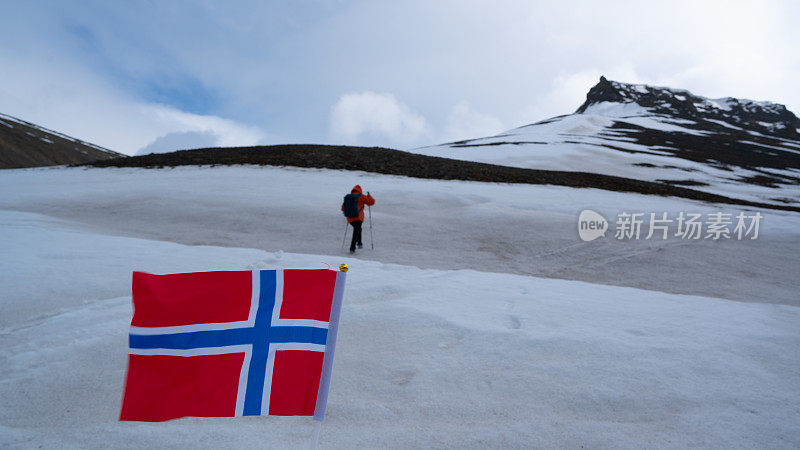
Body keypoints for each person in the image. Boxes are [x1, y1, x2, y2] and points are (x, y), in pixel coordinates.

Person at [341, 185, 375, 253]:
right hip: (358, 217)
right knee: (356, 230)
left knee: (358, 229)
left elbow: (342, 208)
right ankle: (352, 248)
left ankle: (359, 243)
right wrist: (369, 196)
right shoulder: (361, 196)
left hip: (350, 218)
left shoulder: (348, 197)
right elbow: (371, 202)